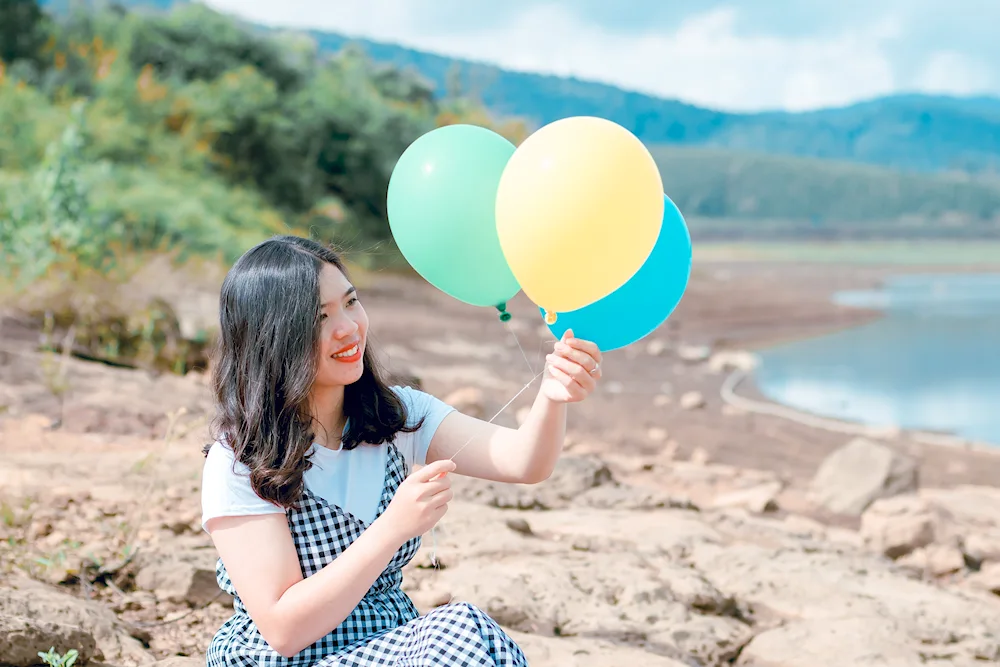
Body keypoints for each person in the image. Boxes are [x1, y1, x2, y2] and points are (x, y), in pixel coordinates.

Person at [200, 235, 603, 666]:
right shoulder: (239, 461)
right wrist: (393, 526)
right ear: (273, 338)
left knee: (465, 633)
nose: (348, 328)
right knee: (457, 631)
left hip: (386, 644)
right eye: (320, 317)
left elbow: (524, 461)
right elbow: (283, 629)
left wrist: (553, 395)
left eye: (351, 303)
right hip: (289, 659)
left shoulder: (396, 414)